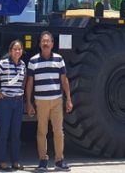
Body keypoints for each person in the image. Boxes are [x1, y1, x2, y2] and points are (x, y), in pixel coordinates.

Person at [25, 32, 73, 171]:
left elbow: (64, 80)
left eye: (48, 41)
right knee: (42, 132)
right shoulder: (33, 61)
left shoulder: (59, 59)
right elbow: (29, 83)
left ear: (52, 43)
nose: (45, 43)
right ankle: (43, 160)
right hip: (41, 102)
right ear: (39, 44)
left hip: (57, 101)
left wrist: (68, 99)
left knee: (59, 132)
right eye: (43, 41)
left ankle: (59, 160)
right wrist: (28, 102)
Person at [0, 39, 26, 171]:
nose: (17, 51)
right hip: (6, 102)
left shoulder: (23, 65)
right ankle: (2, 161)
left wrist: (21, 91)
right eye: (15, 49)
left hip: (18, 102)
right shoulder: (3, 64)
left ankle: (15, 161)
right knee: (4, 132)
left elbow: (24, 79)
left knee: (16, 133)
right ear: (10, 51)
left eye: (19, 49)